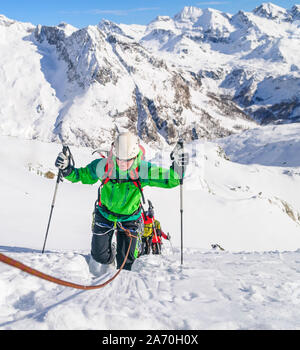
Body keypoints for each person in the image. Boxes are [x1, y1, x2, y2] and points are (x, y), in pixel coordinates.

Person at [55, 131, 188, 274]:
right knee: (99, 256)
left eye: (128, 160)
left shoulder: (143, 169)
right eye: (120, 159)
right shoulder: (103, 166)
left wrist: (178, 168)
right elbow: (82, 175)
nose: (123, 163)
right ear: (114, 153)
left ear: (135, 156)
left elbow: (171, 180)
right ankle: (109, 256)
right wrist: (67, 169)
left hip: (130, 219)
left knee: (126, 263)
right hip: (104, 214)